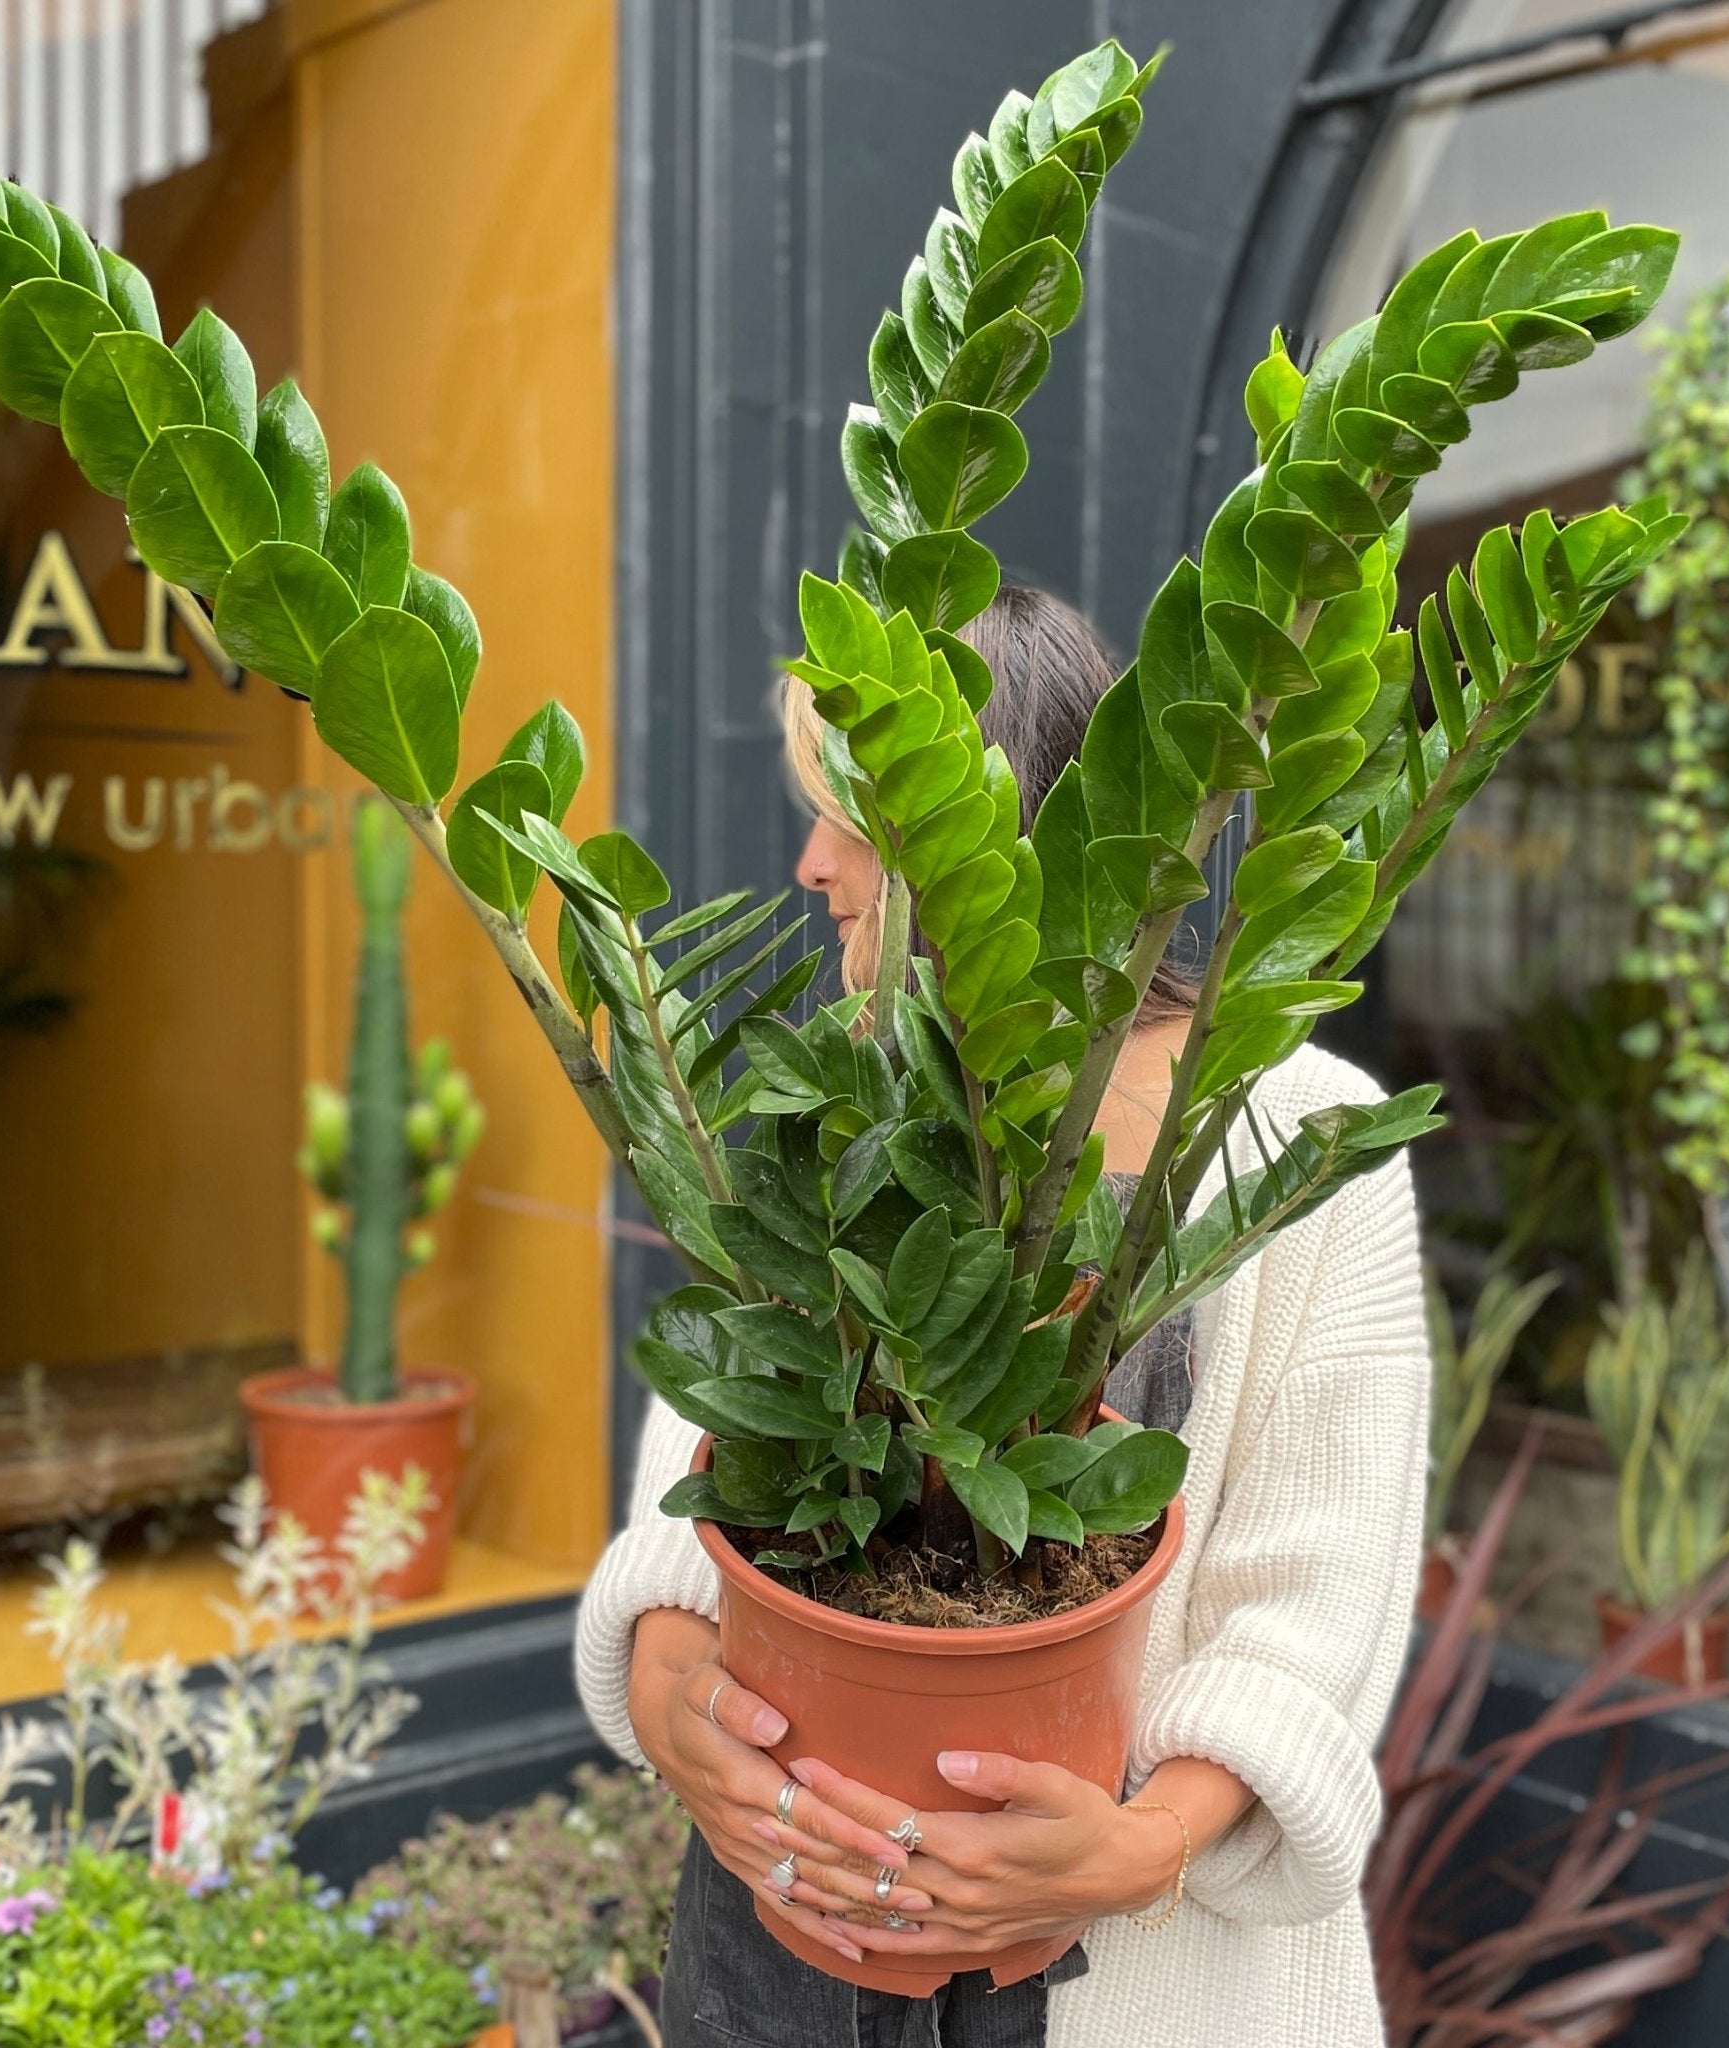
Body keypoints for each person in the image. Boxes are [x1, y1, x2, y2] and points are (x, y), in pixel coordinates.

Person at [574, 584, 1430, 2048]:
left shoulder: (1299, 1133)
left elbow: (1312, 1604)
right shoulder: (835, 1089)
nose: (809, 866)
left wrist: (1134, 1848)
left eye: (855, 819)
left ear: (993, 849)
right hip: (780, 1961)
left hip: (1156, 1990)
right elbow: (706, 1480)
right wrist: (674, 1708)